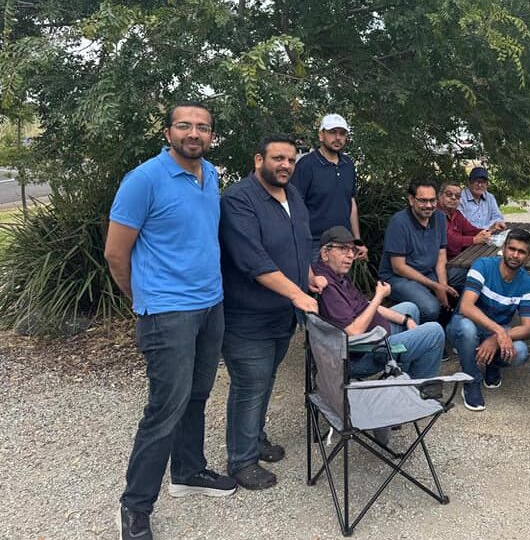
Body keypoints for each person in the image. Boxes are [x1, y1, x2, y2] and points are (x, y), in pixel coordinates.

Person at [105, 104, 236, 540]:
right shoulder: (143, 180)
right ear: (168, 131)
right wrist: (142, 299)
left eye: (202, 127)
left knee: (197, 395)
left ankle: (189, 470)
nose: (193, 133)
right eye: (185, 125)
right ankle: (135, 508)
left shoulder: (211, 174)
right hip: (167, 312)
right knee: (164, 410)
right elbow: (115, 253)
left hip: (210, 304)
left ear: (212, 135)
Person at [219, 135, 328, 491]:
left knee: (266, 379)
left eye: (291, 160)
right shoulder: (239, 199)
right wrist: (298, 294)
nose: (285, 165)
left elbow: (301, 245)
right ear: (258, 159)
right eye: (278, 158)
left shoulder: (293, 194)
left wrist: (311, 277)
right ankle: (241, 460)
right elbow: (253, 260)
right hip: (247, 315)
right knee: (250, 384)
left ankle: (254, 436)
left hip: (282, 314)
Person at [316, 226, 444, 380]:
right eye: (343, 249)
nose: (350, 255)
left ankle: (402, 377)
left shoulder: (337, 275)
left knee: (410, 309)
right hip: (364, 352)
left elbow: (364, 304)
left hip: (373, 338)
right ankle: (420, 390)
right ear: (325, 253)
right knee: (435, 332)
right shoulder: (328, 287)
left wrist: (406, 319)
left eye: (352, 250)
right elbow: (353, 332)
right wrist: (379, 296)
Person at [447, 229, 530, 411]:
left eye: (522, 252)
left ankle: (492, 365)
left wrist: (496, 339)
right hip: (466, 323)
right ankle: (471, 380)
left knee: (520, 351)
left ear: (529, 256)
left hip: (493, 331)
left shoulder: (527, 281)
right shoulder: (483, 265)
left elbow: (528, 328)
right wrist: (499, 332)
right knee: (467, 328)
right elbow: (466, 306)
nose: (515, 255)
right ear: (503, 248)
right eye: (512, 249)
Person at [378, 178, 458, 323]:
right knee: (431, 308)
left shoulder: (439, 217)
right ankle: (424, 336)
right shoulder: (399, 222)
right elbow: (399, 267)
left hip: (427, 272)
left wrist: (443, 285)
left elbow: (441, 256)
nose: (428, 205)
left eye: (432, 201)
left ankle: (451, 332)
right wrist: (435, 285)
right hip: (398, 278)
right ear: (411, 199)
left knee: (460, 286)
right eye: (423, 200)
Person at [290, 113, 367, 260]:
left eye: (342, 133)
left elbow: (351, 203)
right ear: (321, 135)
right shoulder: (306, 165)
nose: (338, 137)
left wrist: (357, 240)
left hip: (344, 242)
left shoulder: (348, 165)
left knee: (339, 283)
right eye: (332, 132)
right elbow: (295, 206)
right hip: (314, 245)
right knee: (316, 283)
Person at [438, 180, 492, 260]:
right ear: (439, 196)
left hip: (459, 258)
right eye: (449, 194)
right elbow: (449, 241)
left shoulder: (456, 214)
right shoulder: (435, 214)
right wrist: (474, 240)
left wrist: (488, 231)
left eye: (457, 196)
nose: (453, 198)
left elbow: (471, 230)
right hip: (445, 263)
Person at [458, 166, 509, 231]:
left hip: (487, 235)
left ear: (487, 185)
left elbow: (498, 217)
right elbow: (461, 224)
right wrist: (488, 228)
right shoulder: (460, 197)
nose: (480, 185)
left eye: (483, 182)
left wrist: (492, 226)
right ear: (469, 182)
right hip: (467, 237)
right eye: (477, 181)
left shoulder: (490, 197)